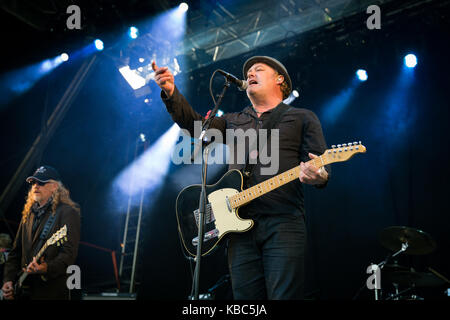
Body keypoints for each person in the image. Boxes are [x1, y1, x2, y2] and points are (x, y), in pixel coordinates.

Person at [152, 55, 330, 299]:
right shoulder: (233, 120)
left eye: (258, 69)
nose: (250, 74)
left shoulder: (302, 117)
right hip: (239, 229)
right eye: (248, 73)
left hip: (283, 222)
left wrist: (318, 176)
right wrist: (172, 93)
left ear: (280, 79)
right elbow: (194, 127)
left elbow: (319, 164)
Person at [1, 165, 81, 300]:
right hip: (24, 291)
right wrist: (8, 280)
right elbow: (16, 252)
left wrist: (46, 268)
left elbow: (69, 254)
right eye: (33, 182)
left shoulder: (68, 212)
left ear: (55, 187)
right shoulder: (28, 214)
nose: (36, 186)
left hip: (50, 292)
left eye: (42, 182)